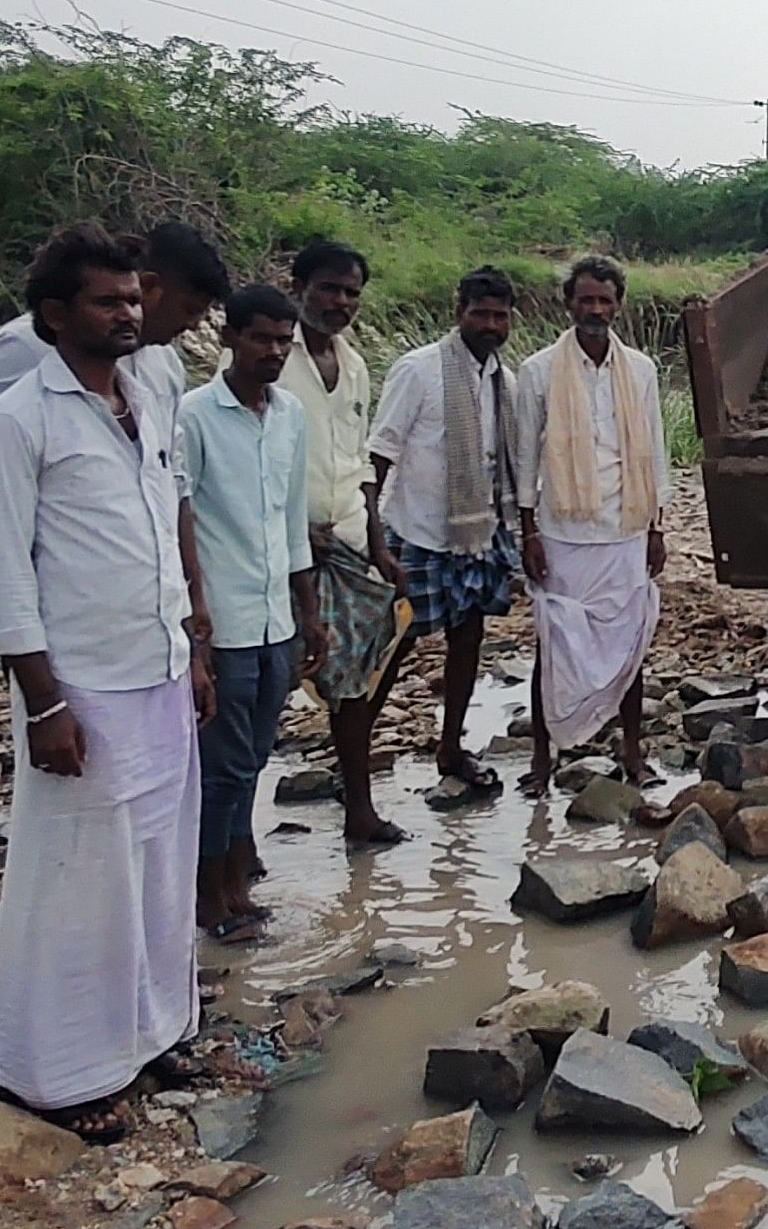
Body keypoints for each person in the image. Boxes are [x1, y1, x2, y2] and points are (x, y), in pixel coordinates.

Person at [0, 225, 212, 1142]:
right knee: (76, 878)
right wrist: (45, 703)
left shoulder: (148, 398)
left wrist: (192, 645)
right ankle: (60, 1074)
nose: (128, 313)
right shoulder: (17, 421)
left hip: (154, 668)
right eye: (107, 301)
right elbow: (7, 576)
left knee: (155, 865)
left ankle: (150, 1036)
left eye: (132, 298)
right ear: (55, 315)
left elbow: (163, 535)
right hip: (83, 688)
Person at [0, 222, 230, 589]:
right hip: (59, 600)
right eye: (188, 309)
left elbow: (171, 479)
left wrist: (192, 588)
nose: (193, 325)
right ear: (148, 286)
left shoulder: (165, 368)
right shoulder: (28, 346)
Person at [178, 284, 327, 942]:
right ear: (229, 339)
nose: (272, 351)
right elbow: (182, 521)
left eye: (282, 342)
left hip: (276, 618)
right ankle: (213, 896)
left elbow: (292, 521)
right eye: (261, 339)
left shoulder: (290, 413)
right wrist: (198, 626)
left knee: (257, 755)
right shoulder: (194, 416)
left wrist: (310, 612)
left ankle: (237, 874)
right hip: (228, 620)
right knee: (224, 765)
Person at [358, 265, 524, 831]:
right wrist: (373, 539)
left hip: (478, 534)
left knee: (468, 640)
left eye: (500, 316)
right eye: (480, 314)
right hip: (420, 534)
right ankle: (351, 763)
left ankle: (451, 748)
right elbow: (378, 456)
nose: (490, 325)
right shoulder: (420, 371)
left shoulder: (507, 380)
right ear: (459, 313)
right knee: (391, 651)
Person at [516, 255, 668, 790]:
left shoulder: (642, 371)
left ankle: (632, 754)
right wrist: (528, 531)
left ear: (618, 306)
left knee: (629, 645)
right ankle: (541, 761)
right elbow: (524, 458)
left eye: (605, 301)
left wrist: (656, 527)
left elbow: (654, 450)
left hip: (625, 528)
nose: (595, 310)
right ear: (569, 304)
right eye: (586, 300)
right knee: (553, 645)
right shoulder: (537, 372)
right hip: (562, 532)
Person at [278, 239, 410, 836]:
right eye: (329, 288)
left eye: (352, 292)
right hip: (280, 550)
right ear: (299, 286)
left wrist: (380, 546)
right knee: (267, 680)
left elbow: (360, 465)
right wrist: (291, 531)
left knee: (361, 672)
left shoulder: (353, 365)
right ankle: (229, 841)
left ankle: (358, 805)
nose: (340, 302)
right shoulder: (273, 358)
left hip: (350, 539)